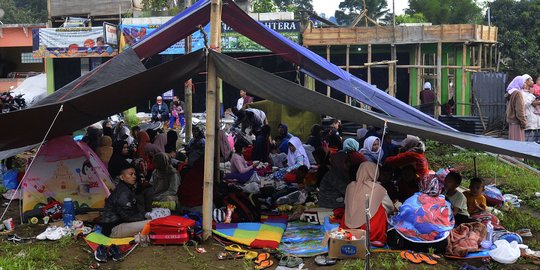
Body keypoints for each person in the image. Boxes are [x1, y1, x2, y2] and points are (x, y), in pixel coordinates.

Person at [389, 173, 454, 253]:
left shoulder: (411, 200)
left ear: (421, 184)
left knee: (392, 222)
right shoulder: (446, 203)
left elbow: (400, 219)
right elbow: (450, 224)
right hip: (439, 244)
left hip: (411, 244)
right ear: (439, 186)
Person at [342, 162, 394, 244]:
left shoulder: (350, 186)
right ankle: (376, 238)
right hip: (370, 231)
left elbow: (345, 203)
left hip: (347, 228)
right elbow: (390, 207)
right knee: (382, 208)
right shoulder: (377, 188)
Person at [101, 163, 149, 237]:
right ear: (122, 177)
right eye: (130, 174)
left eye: (134, 174)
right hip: (113, 229)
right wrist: (145, 215)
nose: (134, 176)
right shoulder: (123, 192)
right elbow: (127, 216)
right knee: (152, 223)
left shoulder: (126, 188)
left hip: (118, 224)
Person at [506, 76, 527, 141]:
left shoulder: (511, 93)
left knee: (512, 143)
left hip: (512, 122)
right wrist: (523, 122)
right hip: (517, 123)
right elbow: (519, 110)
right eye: (524, 82)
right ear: (519, 83)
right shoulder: (518, 94)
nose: (525, 84)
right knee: (518, 145)